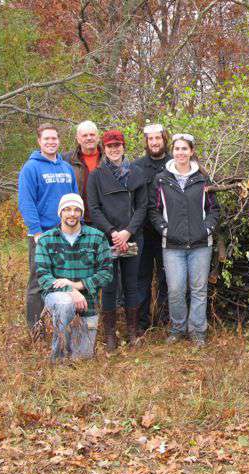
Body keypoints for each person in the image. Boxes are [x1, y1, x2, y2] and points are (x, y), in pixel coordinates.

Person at [148, 133, 220, 346]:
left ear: (191, 151)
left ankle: (198, 331)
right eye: (177, 149)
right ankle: (178, 328)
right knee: (176, 289)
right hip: (172, 245)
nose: (180, 152)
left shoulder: (203, 178)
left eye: (184, 149)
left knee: (198, 289)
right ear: (173, 151)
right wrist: (165, 230)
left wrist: (206, 229)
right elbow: (154, 210)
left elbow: (214, 209)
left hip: (200, 245)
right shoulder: (161, 179)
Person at [87, 130, 147, 350]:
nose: (114, 149)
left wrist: (127, 232)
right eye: (110, 146)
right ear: (105, 148)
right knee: (109, 286)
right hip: (107, 240)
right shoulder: (97, 175)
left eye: (118, 145)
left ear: (124, 147)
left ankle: (132, 332)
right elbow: (93, 208)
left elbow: (142, 206)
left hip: (131, 238)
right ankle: (110, 335)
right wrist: (112, 232)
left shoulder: (136, 173)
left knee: (131, 284)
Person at [35, 194, 112, 361]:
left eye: (77, 210)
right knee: (65, 303)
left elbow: (106, 273)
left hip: (88, 303)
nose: (72, 214)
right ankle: (58, 359)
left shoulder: (97, 237)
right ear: (60, 213)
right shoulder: (46, 240)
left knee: (82, 357)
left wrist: (78, 285)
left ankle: (72, 350)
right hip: (57, 298)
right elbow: (43, 276)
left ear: (82, 214)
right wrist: (69, 290)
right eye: (67, 209)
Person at [18, 123, 79, 334]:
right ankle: (36, 330)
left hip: (65, 234)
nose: (51, 142)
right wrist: (37, 232)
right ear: (39, 141)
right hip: (42, 235)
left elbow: (74, 199)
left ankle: (65, 328)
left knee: (66, 278)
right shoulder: (31, 168)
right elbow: (26, 202)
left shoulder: (66, 167)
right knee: (38, 282)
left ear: (59, 140)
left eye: (54, 138)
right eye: (47, 139)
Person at [133, 124, 172, 333]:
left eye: (158, 138)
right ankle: (141, 323)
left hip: (169, 232)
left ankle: (165, 319)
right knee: (142, 278)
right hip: (144, 233)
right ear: (146, 142)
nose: (155, 142)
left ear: (165, 139)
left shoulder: (175, 163)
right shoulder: (137, 166)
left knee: (167, 277)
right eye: (151, 139)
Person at [62, 120, 103, 224]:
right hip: (76, 219)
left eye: (92, 134)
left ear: (98, 137)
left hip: (105, 220)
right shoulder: (66, 160)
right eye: (85, 135)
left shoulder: (108, 159)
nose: (89, 138)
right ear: (78, 139)